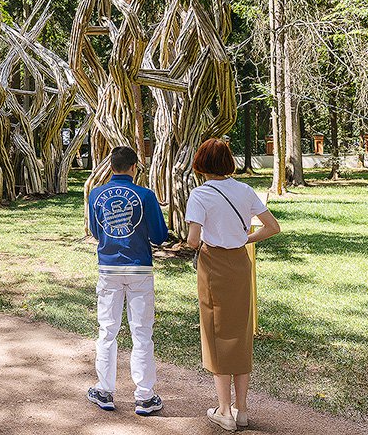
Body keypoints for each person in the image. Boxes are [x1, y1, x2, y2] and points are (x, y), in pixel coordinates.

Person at [185, 138, 281, 431]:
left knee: (217, 334)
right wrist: (244, 239)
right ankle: (242, 409)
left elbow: (192, 239)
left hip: (213, 264)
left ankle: (224, 411)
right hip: (241, 263)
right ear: (228, 162)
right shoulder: (245, 190)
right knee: (240, 333)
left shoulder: (200, 194)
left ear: (202, 163)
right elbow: (272, 227)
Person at [86, 146, 168, 416]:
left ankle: (105, 390)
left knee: (107, 331)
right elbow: (159, 236)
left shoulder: (96, 195)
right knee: (142, 333)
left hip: (108, 268)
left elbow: (98, 232)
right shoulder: (145, 195)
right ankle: (145, 396)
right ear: (135, 167)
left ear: (111, 167)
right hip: (139, 269)